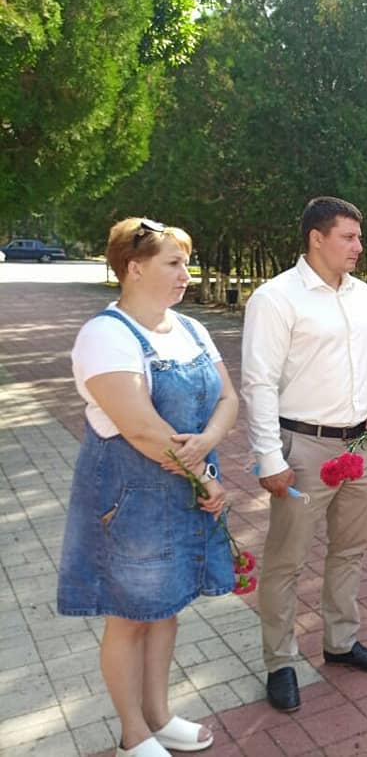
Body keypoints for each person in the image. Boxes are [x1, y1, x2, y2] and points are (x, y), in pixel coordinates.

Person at [58, 218, 238, 757]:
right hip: (131, 501)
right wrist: (203, 475)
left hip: (184, 489)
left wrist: (208, 443)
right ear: (134, 268)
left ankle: (160, 716)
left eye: (187, 262)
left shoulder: (190, 328)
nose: (186, 274)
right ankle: (132, 732)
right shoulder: (106, 335)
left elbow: (228, 398)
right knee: (129, 616)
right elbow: (138, 426)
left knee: (166, 606)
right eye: (174, 263)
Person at [241, 196, 367, 713]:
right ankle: (280, 662)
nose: (359, 246)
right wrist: (269, 458)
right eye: (348, 237)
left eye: (359, 237)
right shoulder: (276, 298)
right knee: (287, 559)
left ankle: (341, 641)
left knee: (350, 549)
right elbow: (259, 382)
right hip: (303, 447)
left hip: (360, 444)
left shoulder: (364, 296)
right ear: (316, 238)